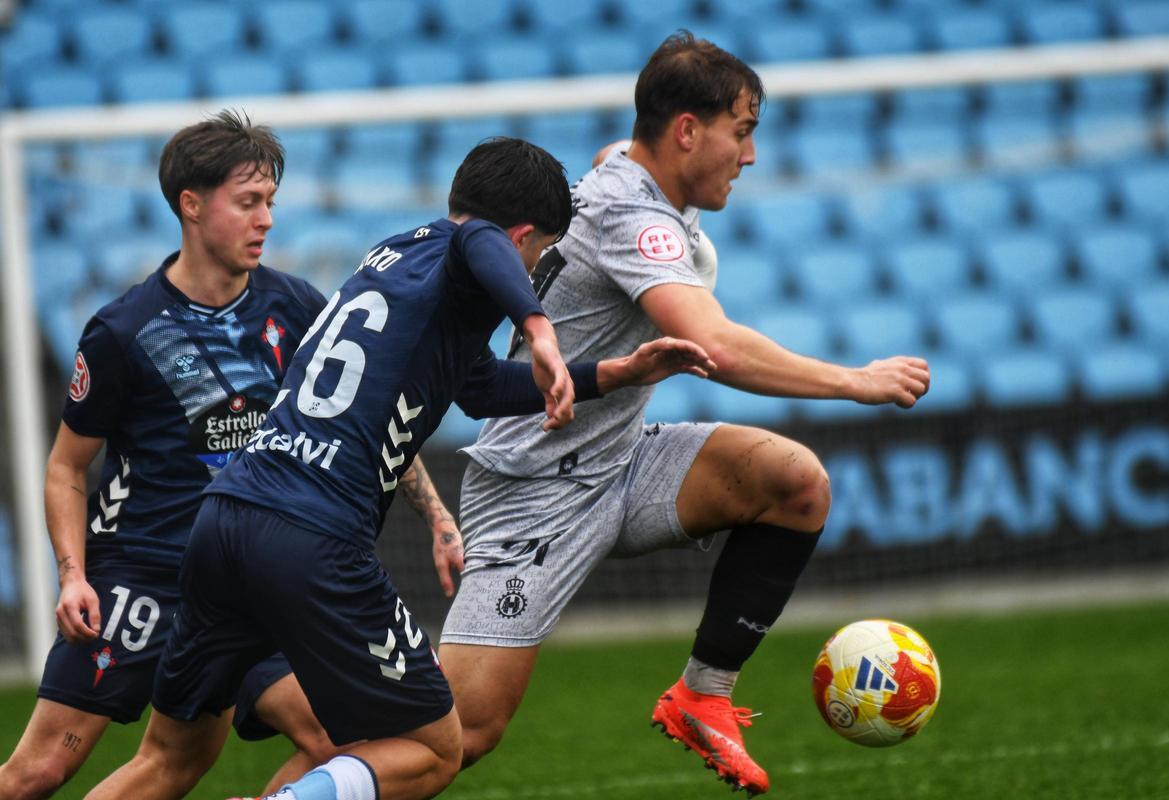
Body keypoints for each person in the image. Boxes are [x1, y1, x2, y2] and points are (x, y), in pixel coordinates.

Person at [83, 136, 715, 800]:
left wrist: (612, 373)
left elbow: (481, 389)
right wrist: (539, 327)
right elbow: (483, 243)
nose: (531, 271)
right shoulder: (473, 251)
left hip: (227, 520)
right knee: (434, 748)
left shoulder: (401, 255)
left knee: (167, 761)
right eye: (538, 253)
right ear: (523, 236)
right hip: (313, 536)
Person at [436, 32, 931, 797]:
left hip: (620, 461)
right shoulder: (638, 218)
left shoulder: (631, 174)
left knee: (794, 482)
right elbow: (716, 348)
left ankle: (703, 694)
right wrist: (856, 381)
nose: (752, 155)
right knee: (456, 737)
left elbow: (612, 154)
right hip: (534, 487)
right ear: (687, 131)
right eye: (744, 130)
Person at [0, 109, 460, 800]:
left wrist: (436, 516)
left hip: (246, 574)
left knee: (337, 742)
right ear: (191, 205)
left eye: (271, 202)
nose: (266, 219)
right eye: (248, 202)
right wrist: (72, 575)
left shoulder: (297, 307)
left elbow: (359, 422)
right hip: (143, 577)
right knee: (41, 771)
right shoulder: (123, 331)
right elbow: (66, 468)